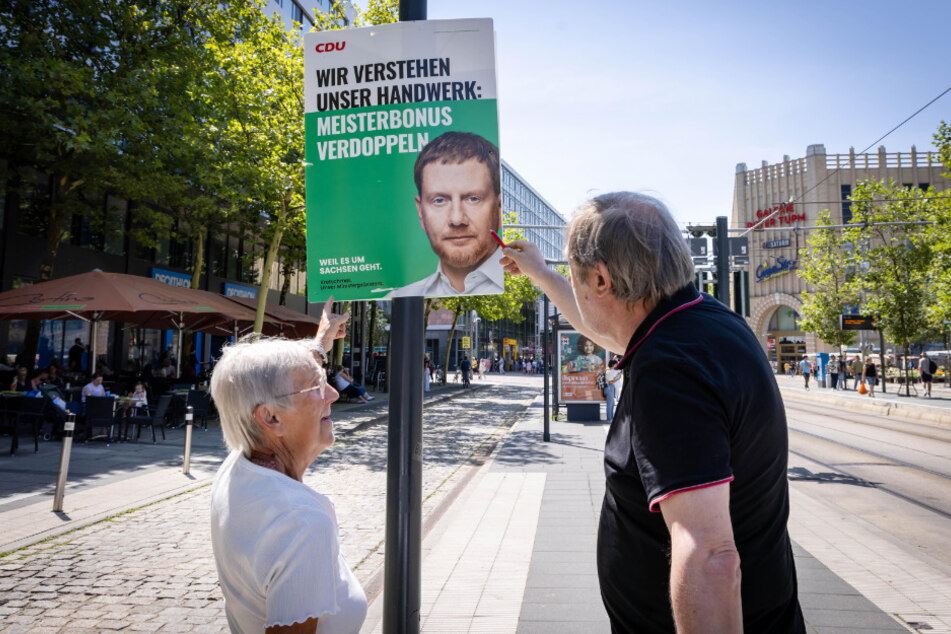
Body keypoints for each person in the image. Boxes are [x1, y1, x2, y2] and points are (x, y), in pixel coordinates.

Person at [501, 191, 804, 633]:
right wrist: (544, 273)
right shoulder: (702, 324)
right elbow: (604, 327)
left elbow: (709, 555)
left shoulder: (669, 370)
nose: (578, 285)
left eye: (576, 274)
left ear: (601, 280)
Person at [209, 299, 367, 633]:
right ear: (270, 417)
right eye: (316, 386)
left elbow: (277, 382)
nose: (332, 395)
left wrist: (320, 345)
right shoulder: (301, 526)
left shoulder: (239, 463)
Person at [387, 132, 504, 298]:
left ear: (499, 209)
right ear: (421, 212)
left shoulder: (533, 276)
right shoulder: (401, 295)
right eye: (439, 200)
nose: (457, 219)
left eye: (473, 198)